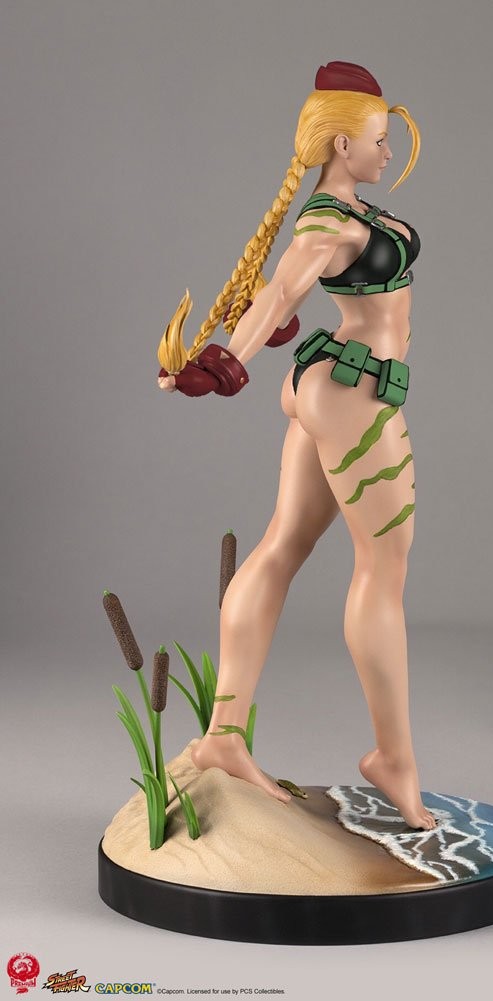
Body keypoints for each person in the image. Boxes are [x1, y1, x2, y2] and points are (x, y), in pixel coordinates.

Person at [157, 61, 435, 830]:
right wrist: (224, 363)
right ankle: (393, 758)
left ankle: (223, 736)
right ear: (342, 144)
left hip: (328, 382)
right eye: (378, 140)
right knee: (382, 568)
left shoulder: (348, 212)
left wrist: (231, 357)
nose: (387, 152)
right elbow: (282, 292)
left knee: (282, 544)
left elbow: (283, 296)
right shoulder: (328, 222)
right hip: (353, 393)